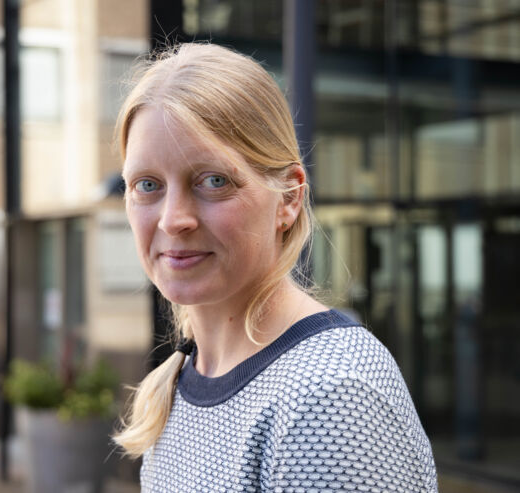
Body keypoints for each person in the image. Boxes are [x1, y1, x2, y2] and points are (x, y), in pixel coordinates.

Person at [112, 43, 437, 492]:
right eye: (147, 185)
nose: (172, 219)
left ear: (288, 199)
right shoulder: (182, 380)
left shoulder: (329, 393)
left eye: (213, 181)